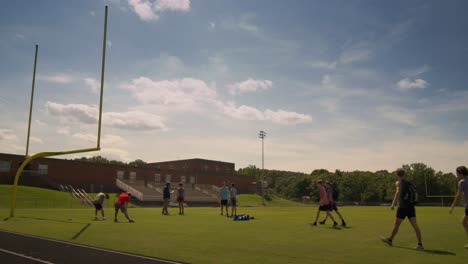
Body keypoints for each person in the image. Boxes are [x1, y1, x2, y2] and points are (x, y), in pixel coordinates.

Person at [381, 168, 423, 250]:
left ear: (397, 174)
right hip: (411, 207)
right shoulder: (408, 183)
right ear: (403, 174)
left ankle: (390, 240)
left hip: (403, 207)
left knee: (396, 225)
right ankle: (420, 244)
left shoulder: (399, 183)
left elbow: (397, 193)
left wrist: (393, 204)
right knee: (415, 226)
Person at [449, 166, 468, 249]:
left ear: (461, 173)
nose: (456, 175)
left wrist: (452, 206)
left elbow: (458, 195)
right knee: (463, 221)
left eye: (457, 173)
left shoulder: (462, 182)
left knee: (464, 222)